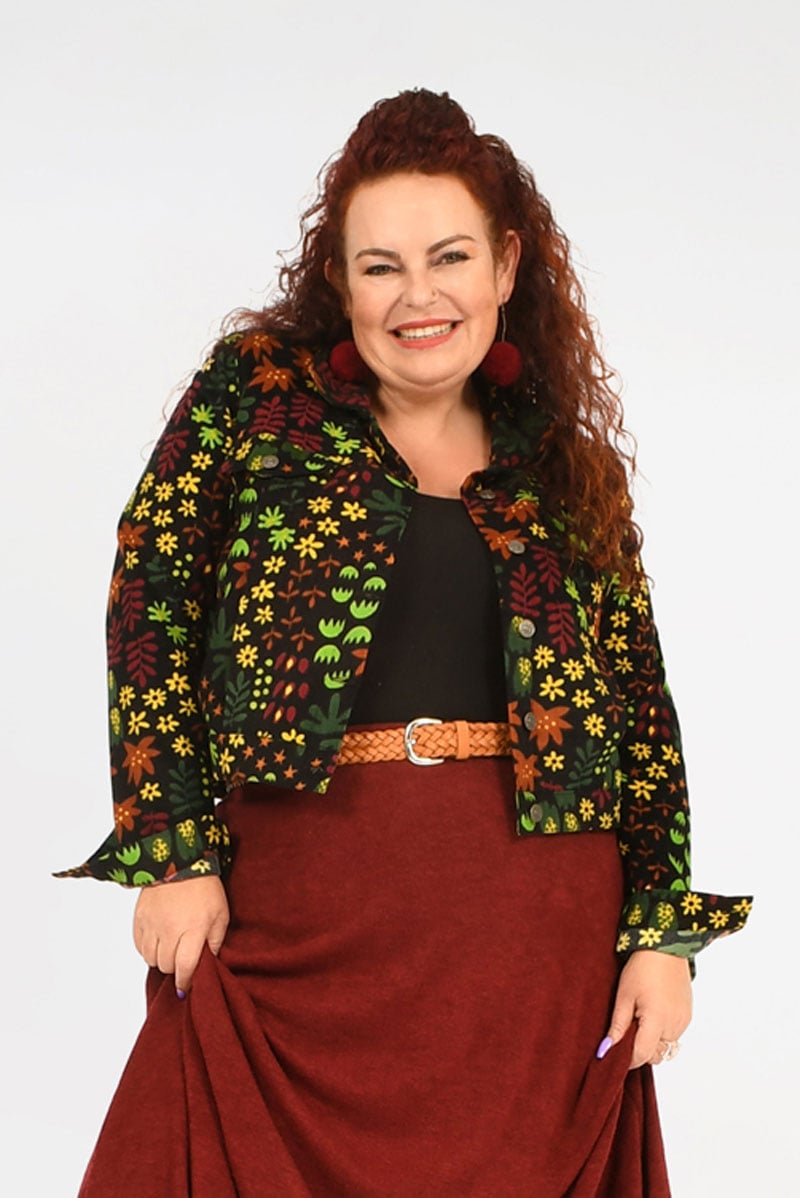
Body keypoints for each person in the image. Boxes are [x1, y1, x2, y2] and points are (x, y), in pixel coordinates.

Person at [58, 88, 752, 1196]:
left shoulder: (558, 461)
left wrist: (660, 936)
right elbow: (150, 598)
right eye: (380, 265)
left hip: (535, 943)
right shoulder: (253, 399)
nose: (417, 296)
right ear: (340, 283)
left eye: (449, 257)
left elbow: (637, 704)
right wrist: (174, 848)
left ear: (506, 265)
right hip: (297, 919)